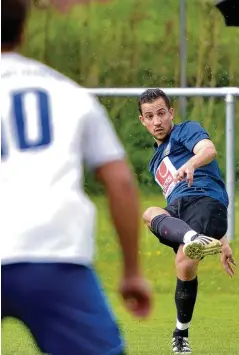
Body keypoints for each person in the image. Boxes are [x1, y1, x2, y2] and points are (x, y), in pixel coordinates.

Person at [1, 1, 152, 354]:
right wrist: (131, 271)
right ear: (23, 31)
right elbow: (120, 182)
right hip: (54, 255)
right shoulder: (69, 93)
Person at [138, 88, 236, 354]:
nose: (157, 121)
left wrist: (192, 163)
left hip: (205, 201)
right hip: (180, 212)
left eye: (161, 113)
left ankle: (180, 335)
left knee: (184, 261)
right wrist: (221, 241)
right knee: (149, 213)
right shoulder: (155, 162)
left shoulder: (186, 131)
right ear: (143, 121)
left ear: (171, 113)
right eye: (149, 116)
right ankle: (194, 238)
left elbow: (208, 149)